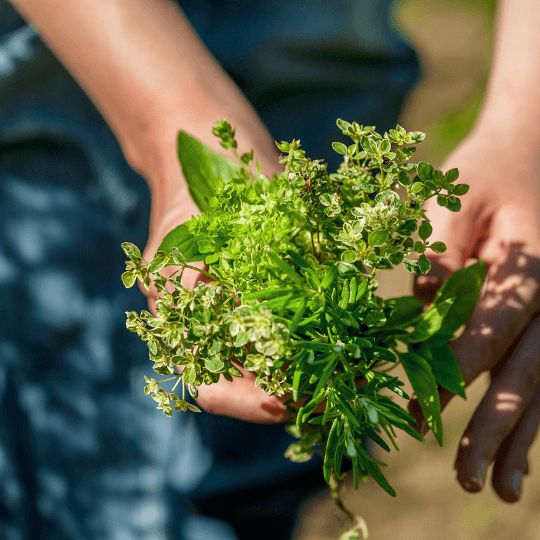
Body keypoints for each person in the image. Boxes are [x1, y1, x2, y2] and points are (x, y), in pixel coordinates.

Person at [0, 0, 538, 538]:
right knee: (91, 464)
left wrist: (526, 123)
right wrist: (170, 119)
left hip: (318, 39)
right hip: (70, 39)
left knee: (265, 452)